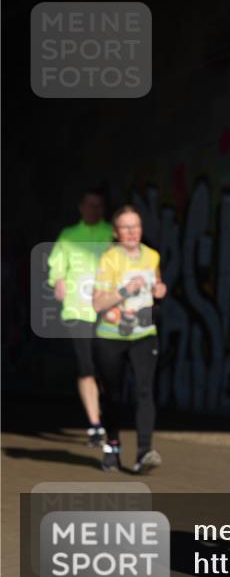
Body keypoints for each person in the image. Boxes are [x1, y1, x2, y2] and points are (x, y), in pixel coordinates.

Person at [91, 205, 167, 473]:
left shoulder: (152, 256)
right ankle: (112, 445)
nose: (133, 231)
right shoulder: (109, 259)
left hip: (144, 334)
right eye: (126, 227)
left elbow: (155, 288)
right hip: (111, 337)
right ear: (116, 232)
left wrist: (160, 290)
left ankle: (145, 451)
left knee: (144, 391)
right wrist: (125, 290)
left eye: (136, 226)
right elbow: (98, 303)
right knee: (113, 395)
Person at [47, 188, 114, 446]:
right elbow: (56, 264)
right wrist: (59, 281)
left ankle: (108, 416)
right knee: (86, 367)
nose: (94, 210)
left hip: (108, 309)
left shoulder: (112, 233)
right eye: (89, 205)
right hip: (78, 309)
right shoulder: (68, 235)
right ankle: (95, 425)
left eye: (98, 205)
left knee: (107, 368)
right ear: (80, 207)